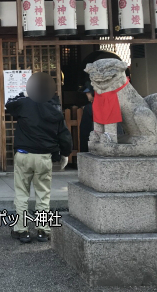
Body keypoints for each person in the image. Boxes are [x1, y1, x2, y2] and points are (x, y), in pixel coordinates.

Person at [5, 77, 72, 244]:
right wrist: (65, 154)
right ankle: (43, 230)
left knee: (21, 194)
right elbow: (63, 134)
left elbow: (9, 105)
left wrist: (22, 95)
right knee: (43, 194)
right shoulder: (54, 108)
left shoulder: (24, 104)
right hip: (44, 156)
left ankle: (21, 230)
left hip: (24, 154)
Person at [79, 83, 94, 153]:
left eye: (88, 93)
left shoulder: (89, 108)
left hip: (91, 138)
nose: (86, 94)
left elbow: (85, 128)